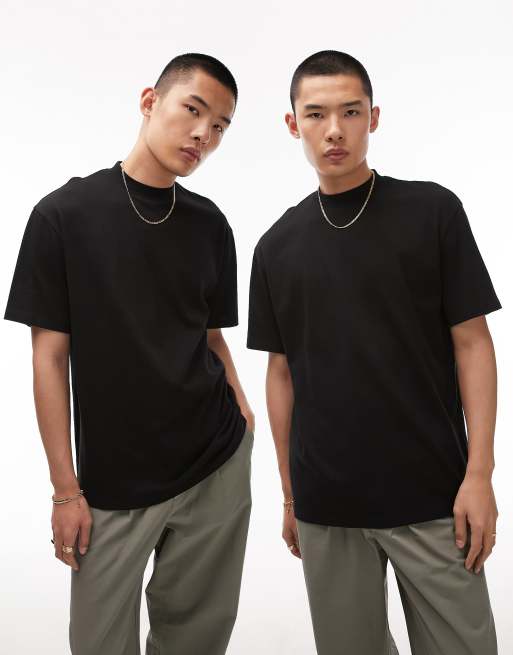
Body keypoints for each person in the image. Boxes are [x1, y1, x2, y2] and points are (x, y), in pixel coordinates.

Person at [247, 50, 500, 655]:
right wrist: (291, 494)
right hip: (327, 504)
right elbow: (280, 375)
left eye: (350, 112)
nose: (334, 130)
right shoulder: (276, 246)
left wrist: (480, 476)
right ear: (293, 124)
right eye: (316, 114)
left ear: (374, 117)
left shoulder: (432, 212)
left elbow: (474, 344)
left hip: (434, 496)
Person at [4, 52, 254, 655]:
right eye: (193, 110)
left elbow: (211, 337)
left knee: (195, 642)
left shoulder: (210, 225)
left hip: (215, 462)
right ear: (149, 101)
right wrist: (65, 490)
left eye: (220, 126)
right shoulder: (63, 216)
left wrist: (244, 416)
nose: (203, 134)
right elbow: (48, 359)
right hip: (113, 482)